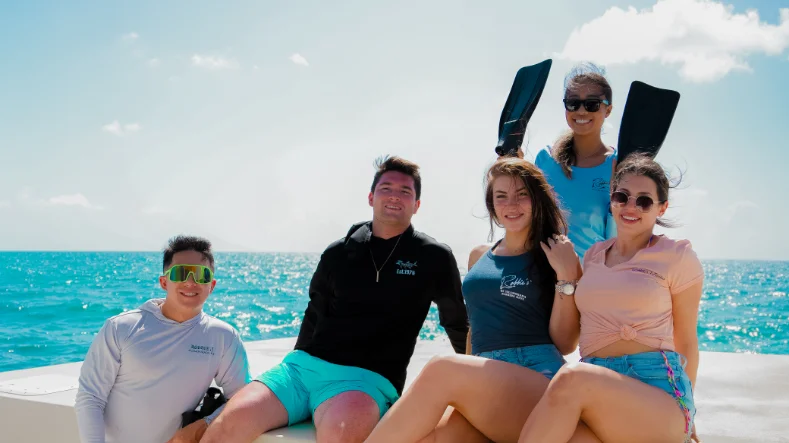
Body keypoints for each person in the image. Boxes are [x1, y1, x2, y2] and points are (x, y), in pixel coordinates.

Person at [195, 156, 469, 443]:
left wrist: (475, 383)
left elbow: (456, 321)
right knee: (228, 423)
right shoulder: (339, 251)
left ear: (417, 205)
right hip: (300, 370)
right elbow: (314, 312)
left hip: (365, 380)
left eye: (405, 192)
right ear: (371, 196)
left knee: (341, 435)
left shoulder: (433, 256)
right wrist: (296, 363)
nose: (394, 197)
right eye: (386, 188)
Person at [363, 157, 600, 443]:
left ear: (537, 200)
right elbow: (475, 329)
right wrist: (468, 376)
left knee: (442, 369)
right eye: (501, 196)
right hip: (486, 379)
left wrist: (565, 275)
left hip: (537, 376)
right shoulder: (480, 256)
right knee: (431, 438)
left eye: (521, 195)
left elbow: (565, 343)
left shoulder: (556, 256)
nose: (511, 204)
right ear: (492, 205)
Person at [517, 153, 704, 443]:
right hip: (596, 387)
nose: (631, 207)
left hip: (657, 390)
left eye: (644, 201)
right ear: (611, 199)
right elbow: (570, 336)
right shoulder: (593, 255)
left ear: (662, 208)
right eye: (622, 196)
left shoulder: (678, 256)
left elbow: (687, 340)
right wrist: (565, 275)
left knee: (571, 378)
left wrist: (689, 412)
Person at [75, 235, 251, 443]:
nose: (190, 282)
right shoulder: (121, 328)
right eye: (181, 273)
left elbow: (240, 399)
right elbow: (90, 398)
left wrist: (201, 426)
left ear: (211, 285)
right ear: (164, 282)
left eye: (200, 275)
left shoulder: (224, 337)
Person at [534, 62, 617, 261]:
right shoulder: (545, 160)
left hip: (594, 282)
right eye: (573, 103)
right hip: (545, 279)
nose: (581, 111)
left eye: (592, 104)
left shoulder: (619, 165)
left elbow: (623, 238)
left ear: (608, 110)